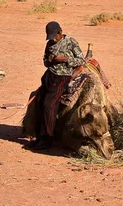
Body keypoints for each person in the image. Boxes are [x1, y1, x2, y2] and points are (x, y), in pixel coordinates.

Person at [30, 21, 86, 150]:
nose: (53, 40)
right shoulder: (49, 43)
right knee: (39, 103)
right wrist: (49, 60)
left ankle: (48, 139)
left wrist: (65, 59)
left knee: (49, 105)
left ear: (60, 32)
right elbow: (44, 61)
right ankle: (39, 137)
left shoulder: (71, 42)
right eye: (50, 37)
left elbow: (81, 60)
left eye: (55, 36)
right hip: (49, 75)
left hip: (63, 77)